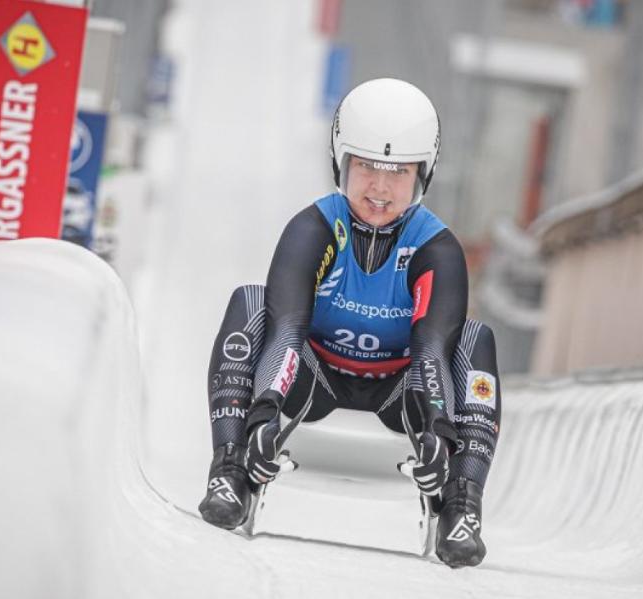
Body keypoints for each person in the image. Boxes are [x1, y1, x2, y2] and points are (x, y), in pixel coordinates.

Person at [198, 78, 501, 568]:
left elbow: (431, 351)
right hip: (312, 379)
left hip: (401, 391)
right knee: (251, 302)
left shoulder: (437, 248)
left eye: (398, 172)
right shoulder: (313, 227)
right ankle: (229, 471)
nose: (380, 189)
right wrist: (264, 412)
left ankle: (462, 507)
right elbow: (286, 331)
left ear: (423, 174)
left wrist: (439, 435)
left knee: (473, 340)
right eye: (365, 167)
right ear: (342, 162)